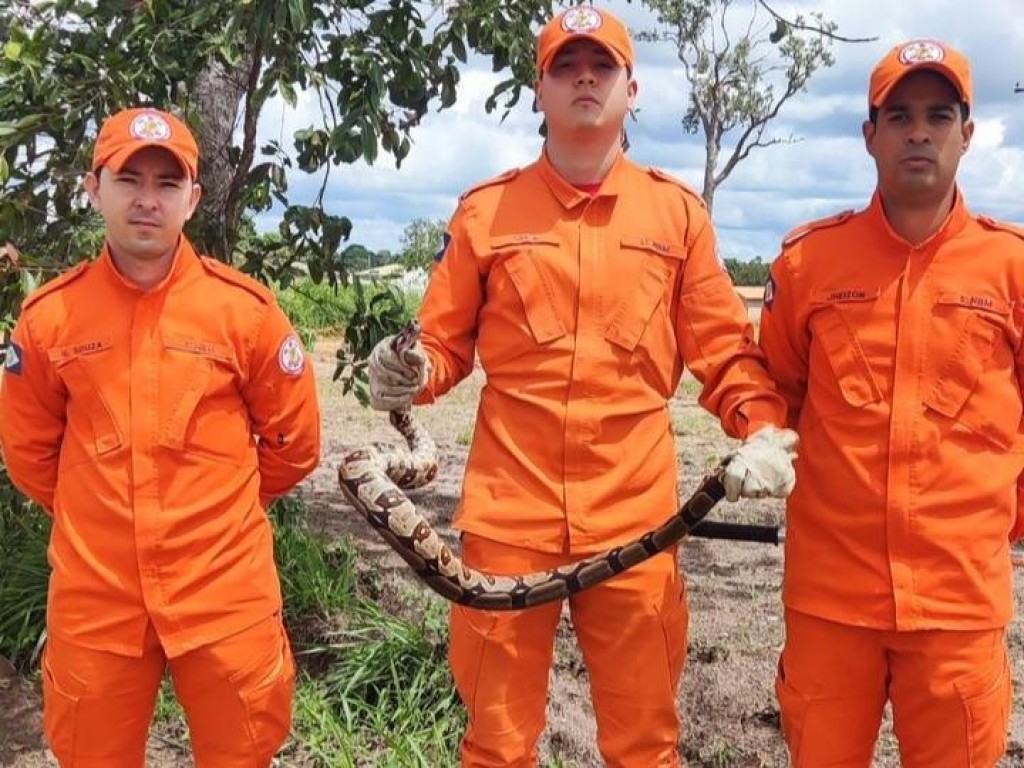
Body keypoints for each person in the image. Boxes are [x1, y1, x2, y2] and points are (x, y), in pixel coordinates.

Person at [366, 6, 798, 766]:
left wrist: (761, 428)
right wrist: (411, 372)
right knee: (495, 745)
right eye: (565, 66)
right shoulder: (486, 213)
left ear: (633, 88)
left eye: (603, 66)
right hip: (508, 518)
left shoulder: (677, 216)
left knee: (645, 745)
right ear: (539, 91)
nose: (585, 79)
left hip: (636, 522)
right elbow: (442, 345)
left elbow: (725, 351)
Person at [0, 107, 321, 767]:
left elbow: (295, 443)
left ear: (192, 199)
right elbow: (28, 453)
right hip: (97, 600)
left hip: (225, 595)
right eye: (129, 179)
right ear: (94, 189)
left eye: (167, 183)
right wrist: (100, 518)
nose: (148, 199)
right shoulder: (50, 319)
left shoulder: (244, 314)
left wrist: (221, 512)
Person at [759, 39, 1022, 767]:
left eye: (939, 116)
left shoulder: (1011, 268)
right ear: (869, 135)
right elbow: (774, 391)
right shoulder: (810, 262)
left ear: (967, 134)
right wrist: (760, 437)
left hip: (959, 608)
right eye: (899, 117)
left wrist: (995, 529)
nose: (919, 133)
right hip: (831, 603)